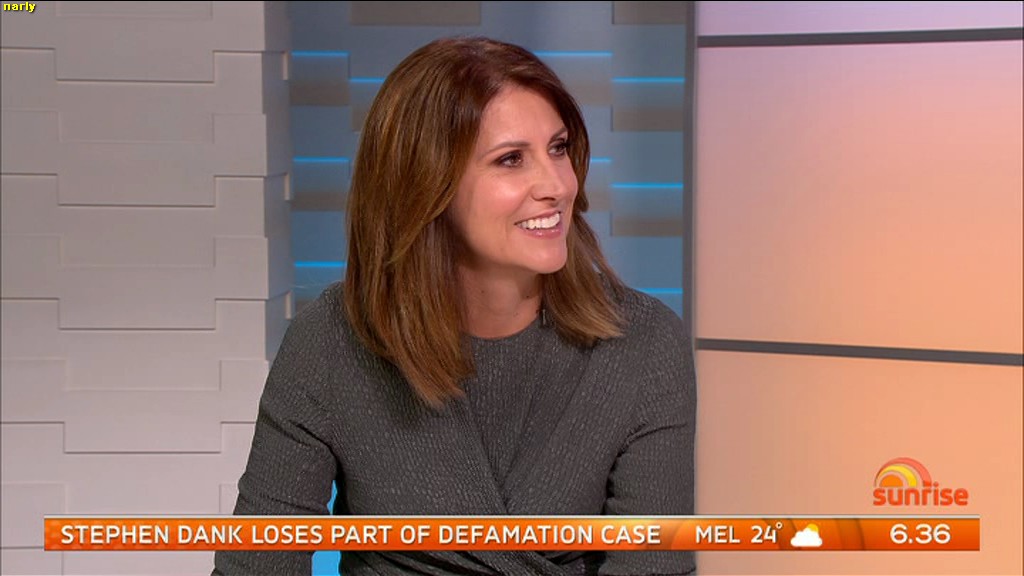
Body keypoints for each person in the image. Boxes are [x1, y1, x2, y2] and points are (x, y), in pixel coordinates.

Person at [214, 36, 696, 576]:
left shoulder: (644, 342)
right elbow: (257, 565)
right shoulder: (331, 342)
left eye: (558, 148)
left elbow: (656, 566)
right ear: (426, 187)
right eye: (511, 159)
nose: (558, 185)